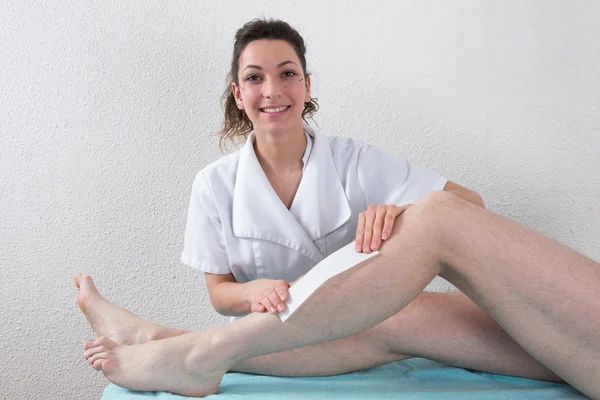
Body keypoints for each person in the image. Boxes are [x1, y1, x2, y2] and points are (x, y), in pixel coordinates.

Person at [75, 19, 600, 399]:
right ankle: (163, 341)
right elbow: (220, 292)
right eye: (255, 78)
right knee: (393, 318)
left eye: (287, 74)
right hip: (353, 323)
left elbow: (470, 207)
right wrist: (251, 292)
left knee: (429, 224)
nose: (272, 90)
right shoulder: (214, 184)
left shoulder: (353, 160)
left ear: (306, 86)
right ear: (238, 93)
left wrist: (397, 212)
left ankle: (189, 351)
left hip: (359, 317)